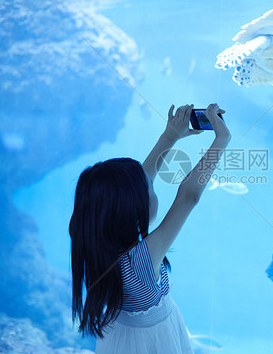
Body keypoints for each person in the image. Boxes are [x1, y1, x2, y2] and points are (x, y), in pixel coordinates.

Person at [69, 103, 231, 353]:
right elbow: (188, 196)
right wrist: (221, 140)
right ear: (132, 209)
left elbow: (141, 177)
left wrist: (170, 135)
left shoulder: (100, 242)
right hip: (154, 343)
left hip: (121, 338)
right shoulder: (142, 259)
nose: (152, 184)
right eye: (150, 188)